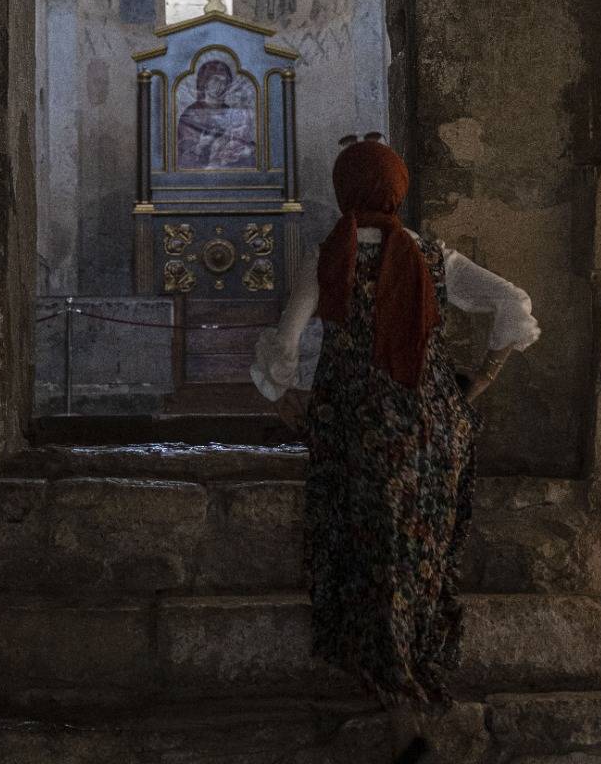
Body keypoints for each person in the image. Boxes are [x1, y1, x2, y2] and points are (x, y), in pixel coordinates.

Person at [251, 138, 539, 764]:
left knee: (368, 558)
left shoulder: (327, 258)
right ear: (397, 189)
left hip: (354, 432)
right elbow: (514, 305)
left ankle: (395, 700)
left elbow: (285, 343)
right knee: (416, 558)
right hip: (431, 434)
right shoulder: (435, 257)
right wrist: (482, 379)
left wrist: (282, 394)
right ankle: (412, 681)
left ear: (343, 190)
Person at [176, 58, 256, 168]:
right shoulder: (192, 114)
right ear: (205, 82)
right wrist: (200, 146)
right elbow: (182, 157)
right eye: (216, 80)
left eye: (224, 82)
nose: (220, 86)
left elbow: (242, 138)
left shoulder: (231, 112)